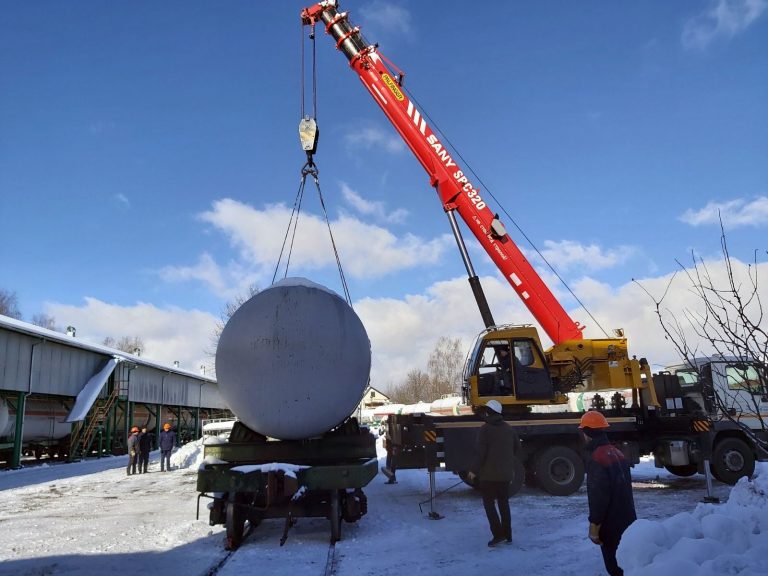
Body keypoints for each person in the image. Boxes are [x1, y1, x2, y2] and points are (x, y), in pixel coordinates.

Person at [580, 410, 637, 576]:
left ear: (587, 433)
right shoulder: (617, 453)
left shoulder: (596, 458)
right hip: (628, 520)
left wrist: (594, 525)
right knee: (627, 565)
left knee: (614, 567)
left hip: (610, 525)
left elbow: (598, 496)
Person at [467, 399, 520, 547]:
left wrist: (473, 471)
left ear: (489, 413)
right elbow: (517, 448)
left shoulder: (485, 429)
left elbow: (480, 454)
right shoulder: (509, 429)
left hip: (488, 476)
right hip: (505, 475)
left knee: (489, 504)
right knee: (504, 503)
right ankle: (508, 535)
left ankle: (498, 535)